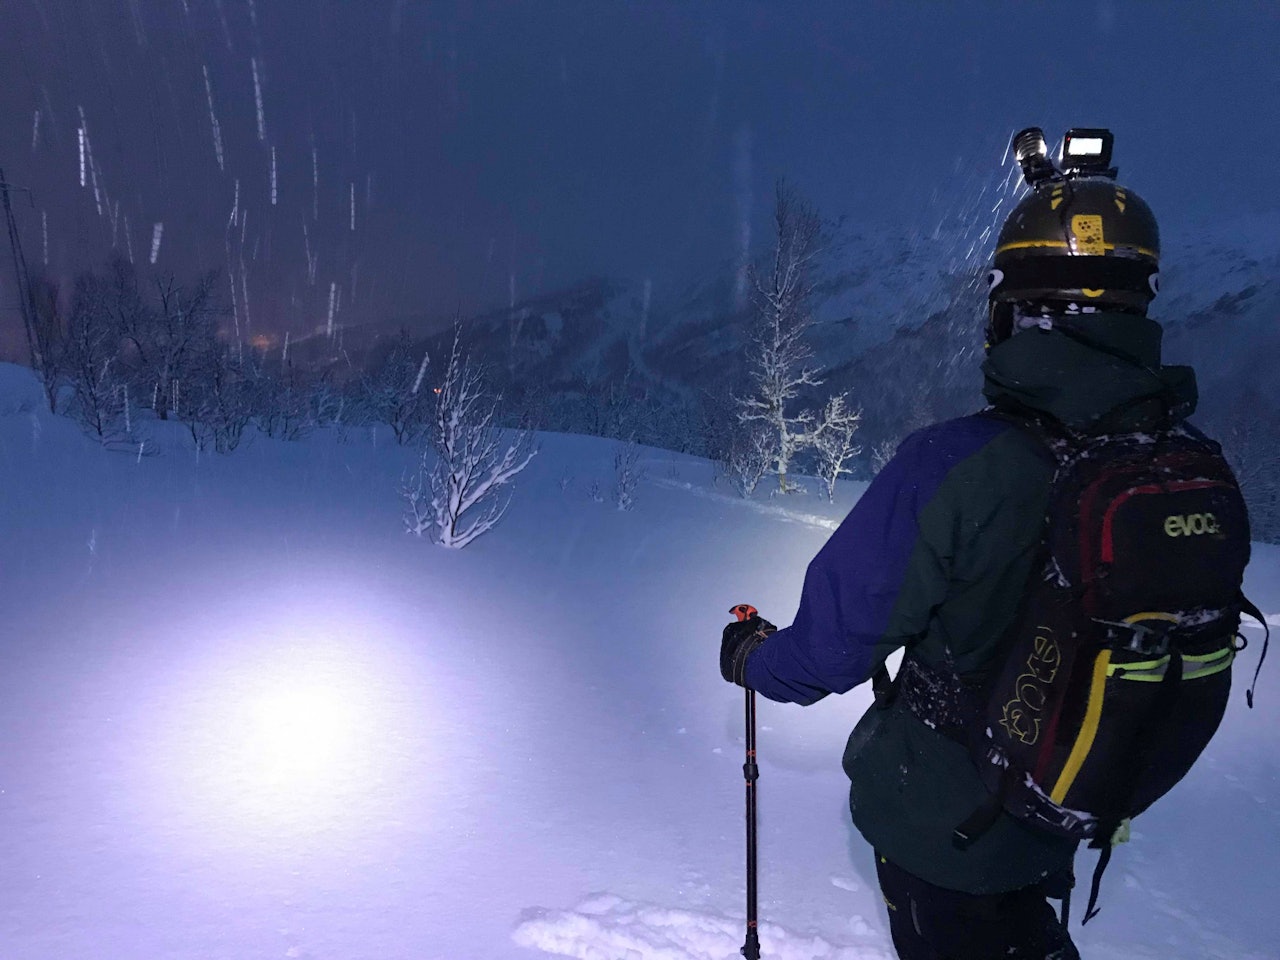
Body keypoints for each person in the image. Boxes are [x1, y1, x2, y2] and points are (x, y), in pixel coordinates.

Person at [719, 129, 1239, 960]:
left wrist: (753, 658)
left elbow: (829, 650)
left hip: (943, 825)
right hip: (1067, 795)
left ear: (1013, 308)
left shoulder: (955, 464)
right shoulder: (1181, 460)